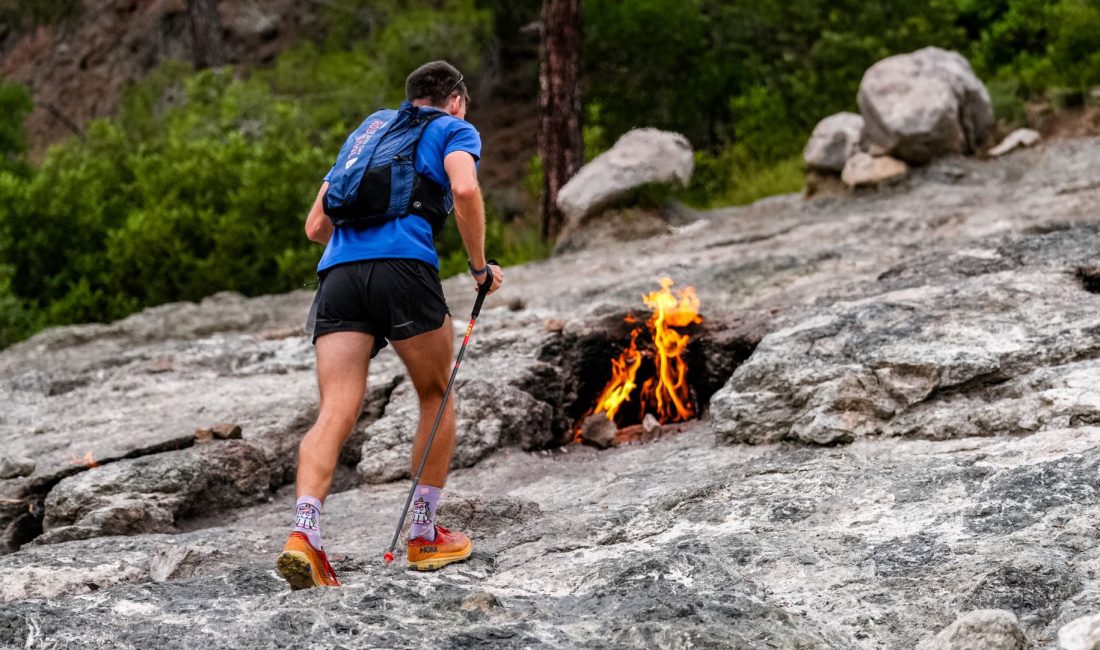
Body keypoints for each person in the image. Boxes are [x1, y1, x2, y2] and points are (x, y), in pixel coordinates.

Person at [275, 60, 503, 589]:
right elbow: (465, 191)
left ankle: (304, 535)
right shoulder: (453, 128)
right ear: (456, 100)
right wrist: (478, 267)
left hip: (338, 276)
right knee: (435, 392)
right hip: (403, 269)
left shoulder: (369, 130)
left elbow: (315, 227)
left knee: (334, 408)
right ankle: (424, 535)